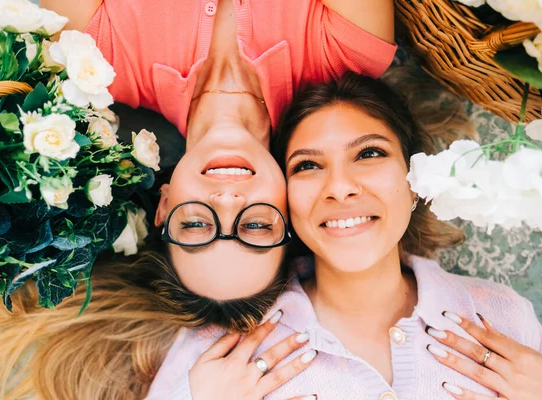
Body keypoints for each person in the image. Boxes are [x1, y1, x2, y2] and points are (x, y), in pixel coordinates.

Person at [146, 72, 542, 399]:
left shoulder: (501, 315)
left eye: (369, 154)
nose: (339, 187)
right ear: (283, 202)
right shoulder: (222, 349)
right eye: (307, 166)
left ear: (415, 178)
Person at [39, 0, 397, 300]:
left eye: (195, 224)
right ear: (289, 208)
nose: (227, 199)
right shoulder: (349, 52)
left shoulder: (90, 55)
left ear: (164, 206)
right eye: (256, 225)